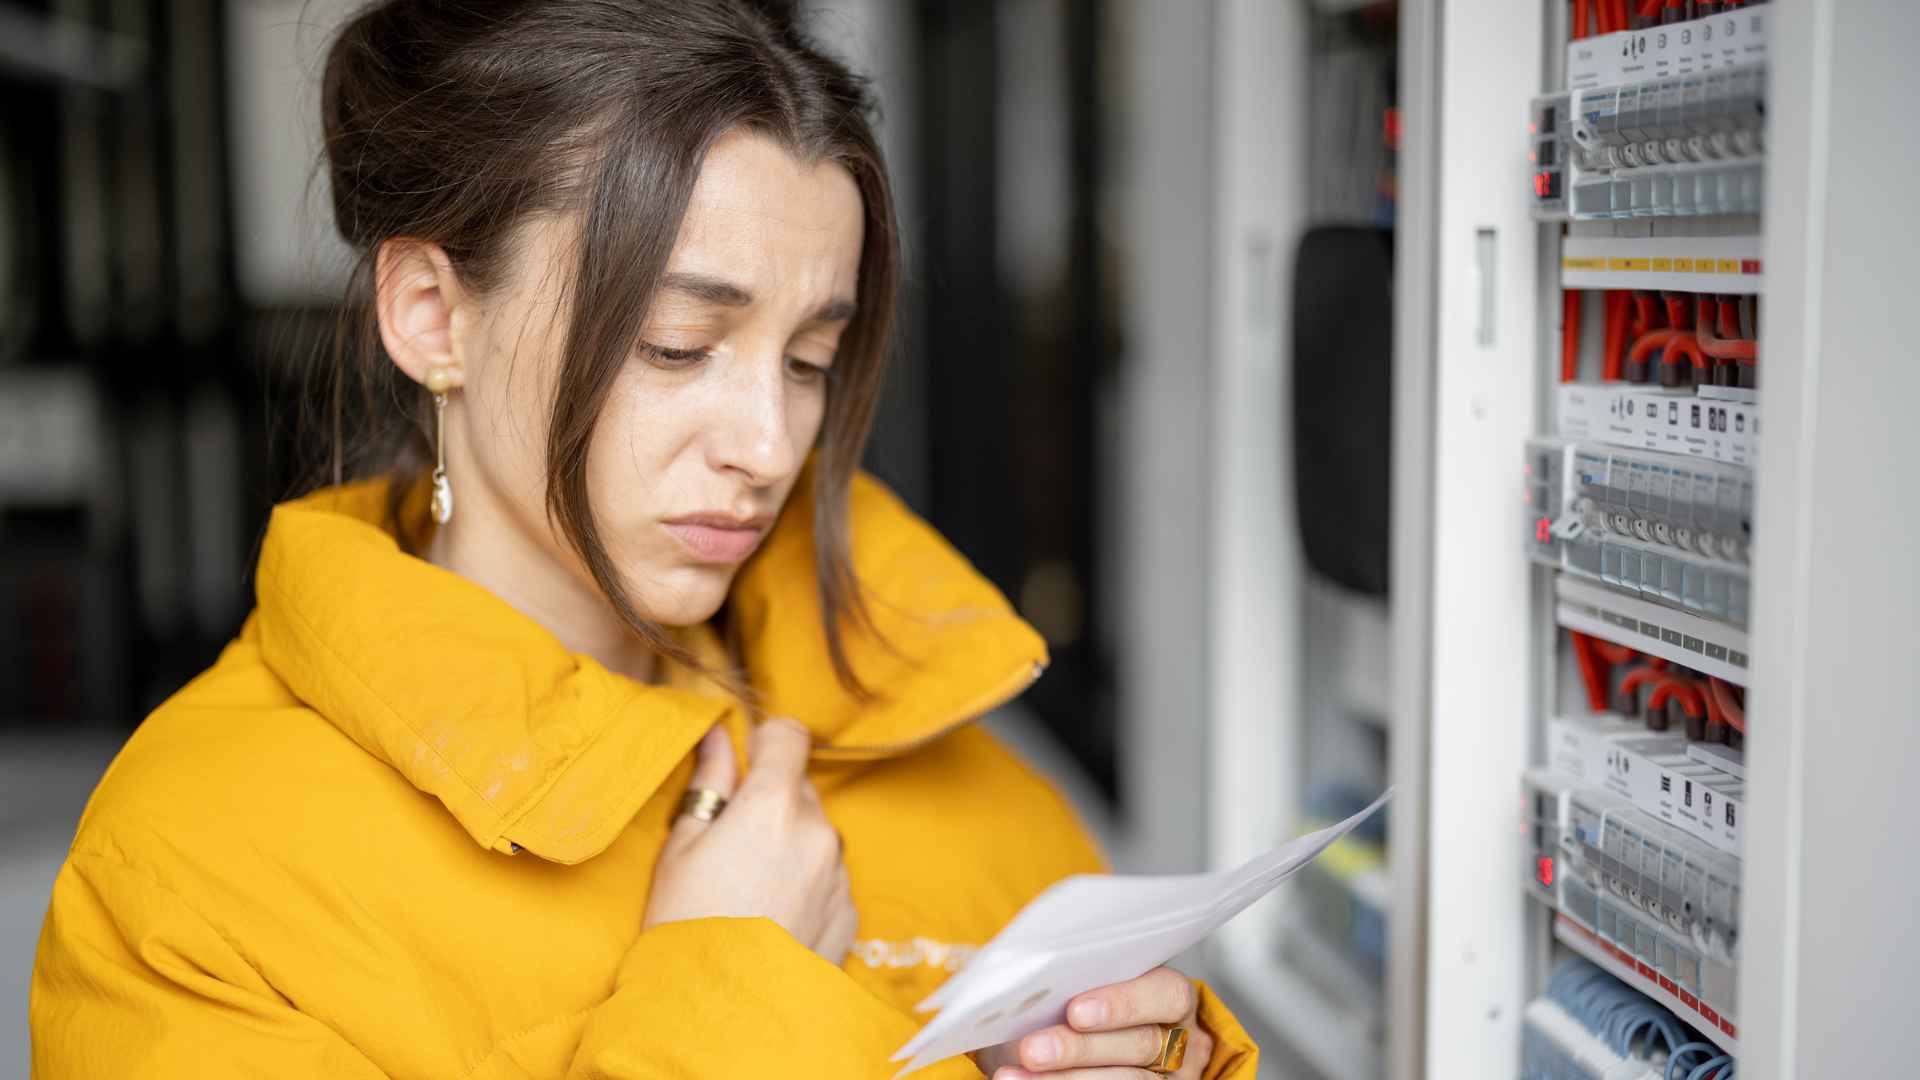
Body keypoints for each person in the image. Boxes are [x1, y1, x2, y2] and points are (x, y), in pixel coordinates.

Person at [30, 2, 1256, 1076]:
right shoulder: (193, 873)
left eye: (811, 359)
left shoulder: (915, 715)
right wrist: (730, 986)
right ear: (430, 315)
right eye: (677, 346)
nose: (772, 443)